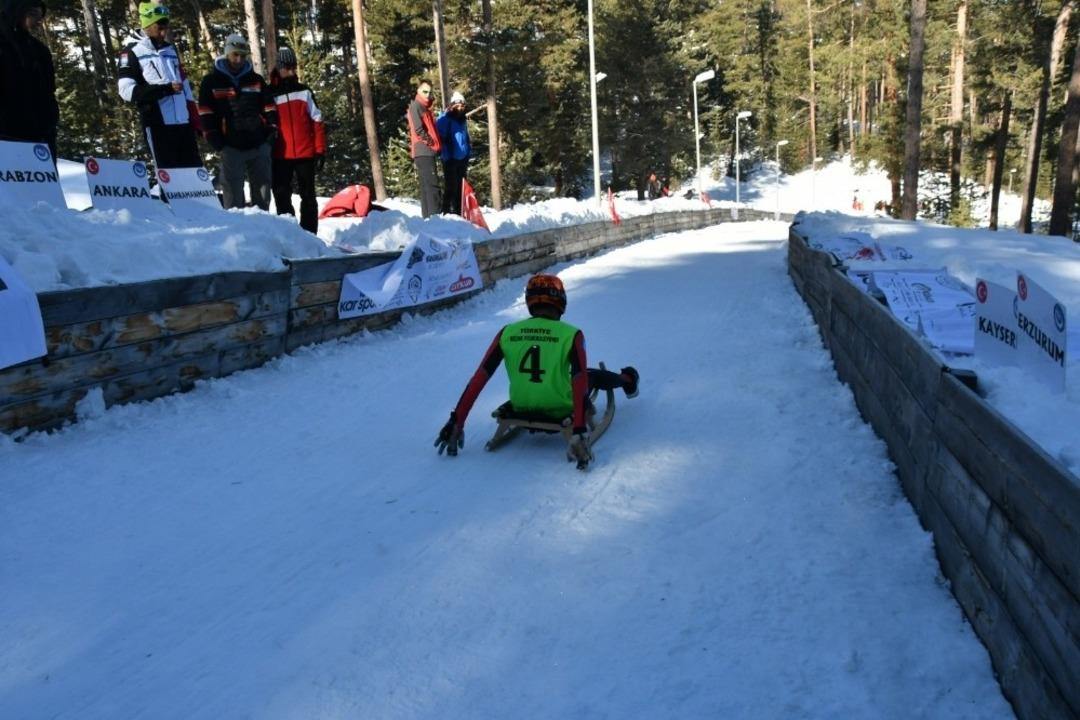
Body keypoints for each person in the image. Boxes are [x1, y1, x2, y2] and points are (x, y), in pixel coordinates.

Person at [435, 274, 639, 467]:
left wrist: (456, 420)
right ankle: (628, 379)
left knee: (576, 375)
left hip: (521, 405)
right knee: (590, 375)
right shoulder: (572, 335)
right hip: (561, 407)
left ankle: (623, 380)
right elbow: (579, 379)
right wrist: (578, 428)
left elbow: (479, 378)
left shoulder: (506, 333)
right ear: (561, 303)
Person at [117, 2, 202, 169]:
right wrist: (164, 89)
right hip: (159, 127)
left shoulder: (170, 50)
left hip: (183, 125)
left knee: (195, 176)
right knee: (170, 180)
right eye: (159, 27)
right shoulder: (131, 52)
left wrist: (195, 119)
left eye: (166, 27)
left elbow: (185, 88)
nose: (164, 32)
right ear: (147, 25)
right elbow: (126, 91)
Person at [198, 33, 277, 210]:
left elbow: (269, 107)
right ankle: (236, 233)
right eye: (235, 54)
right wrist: (215, 140)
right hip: (229, 146)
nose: (239, 59)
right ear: (227, 53)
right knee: (232, 197)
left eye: (242, 55)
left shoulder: (256, 80)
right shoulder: (211, 81)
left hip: (258, 144)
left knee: (263, 193)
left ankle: (264, 228)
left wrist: (271, 133)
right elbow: (205, 113)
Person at [269, 46, 325, 233]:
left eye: (294, 67)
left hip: (305, 153)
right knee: (281, 195)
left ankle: (310, 234)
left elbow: (317, 120)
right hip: (280, 155)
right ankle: (291, 233)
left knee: (308, 196)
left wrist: (319, 150)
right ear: (279, 68)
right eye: (288, 67)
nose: (292, 71)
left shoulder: (304, 91)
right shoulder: (270, 94)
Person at [0, 0, 57, 161]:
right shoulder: (4, 46)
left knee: (43, 184)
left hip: (40, 135)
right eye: (33, 15)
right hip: (6, 134)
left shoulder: (39, 50)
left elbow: (49, 90)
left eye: (41, 16)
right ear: (16, 13)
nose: (38, 21)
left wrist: (50, 122)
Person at [406, 78, 441, 218]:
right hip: (424, 150)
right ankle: (435, 218)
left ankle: (428, 218)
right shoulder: (416, 106)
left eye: (429, 92)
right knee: (432, 186)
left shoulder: (425, 107)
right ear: (418, 91)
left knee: (427, 186)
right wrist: (431, 142)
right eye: (424, 91)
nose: (427, 94)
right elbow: (419, 129)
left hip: (425, 151)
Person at [436, 90, 470, 215]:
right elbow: (440, 138)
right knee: (451, 187)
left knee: (461, 188)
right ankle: (445, 211)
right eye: (458, 105)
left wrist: (468, 152)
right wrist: (446, 154)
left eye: (462, 105)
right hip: (450, 158)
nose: (460, 108)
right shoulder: (445, 119)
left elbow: (466, 137)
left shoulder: (462, 119)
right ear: (452, 105)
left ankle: (458, 212)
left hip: (462, 158)